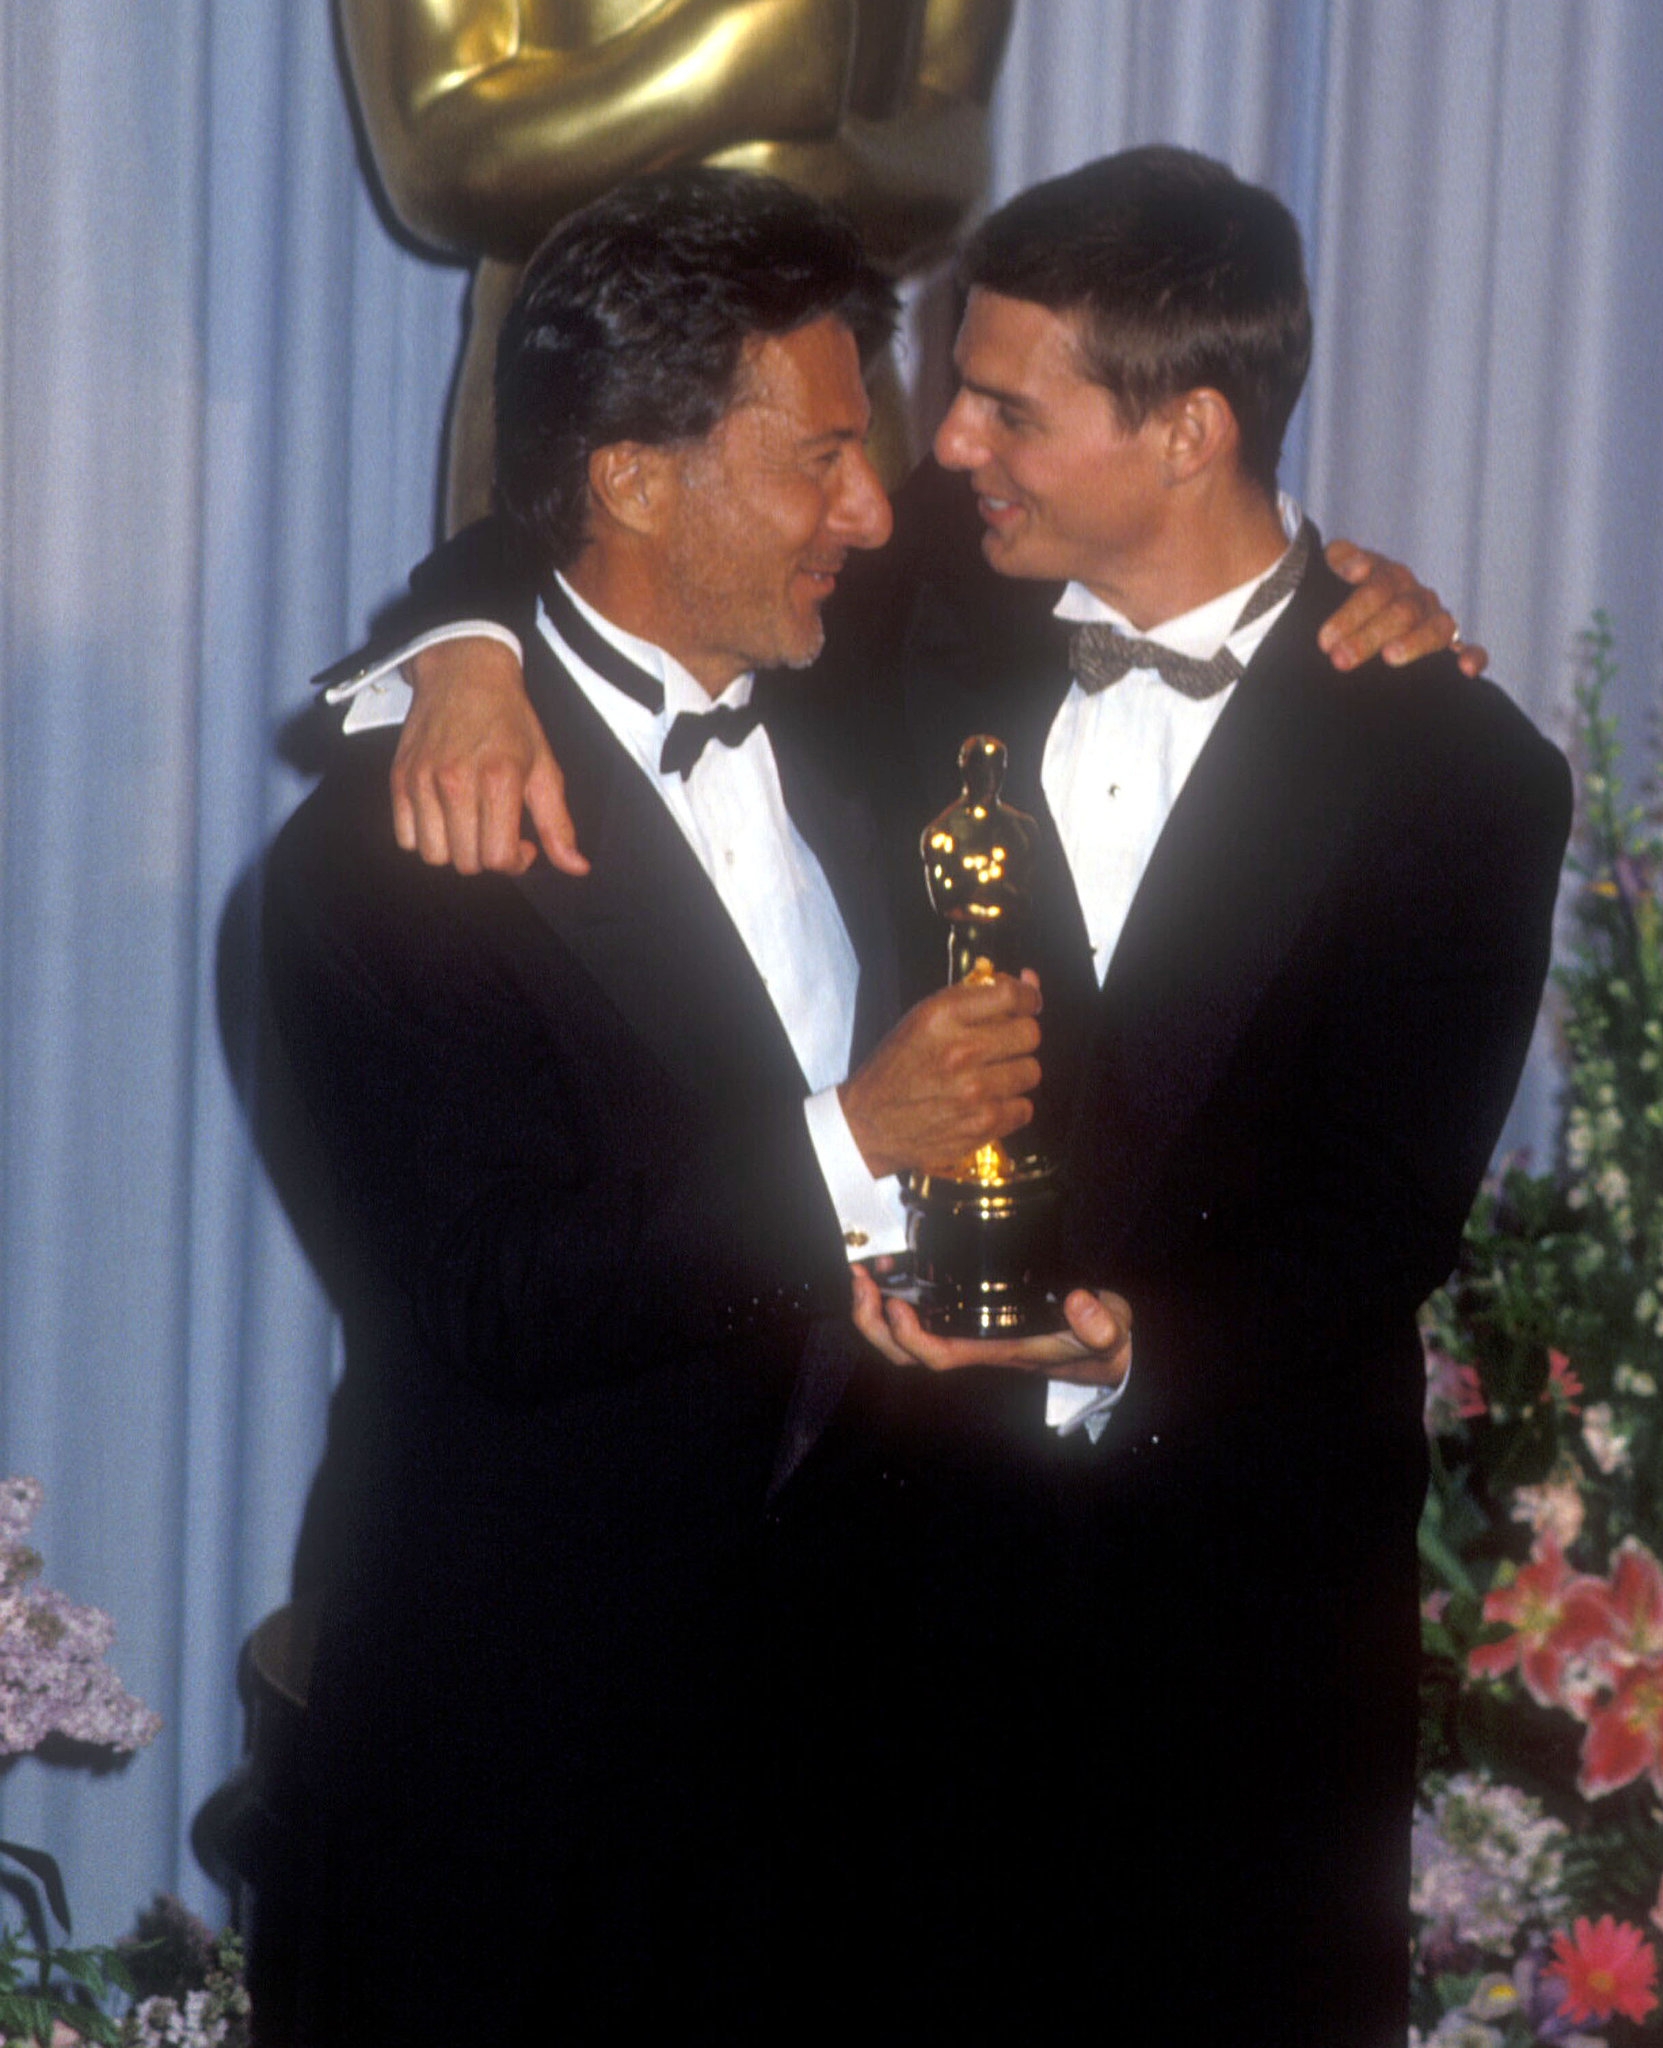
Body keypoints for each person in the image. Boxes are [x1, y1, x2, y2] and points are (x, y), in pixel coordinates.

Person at [341, 150, 1571, 2043]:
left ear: (1189, 431)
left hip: (1230, 1614)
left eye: (1007, 405)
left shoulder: (1460, 766)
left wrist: (1128, 1337)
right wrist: (463, 649)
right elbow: (610, 516)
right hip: (883, 1622)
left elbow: (1384, 1207)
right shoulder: (912, 603)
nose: (942, 451)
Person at [262, 166, 1130, 2044]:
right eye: (822, 457)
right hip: (536, 1784)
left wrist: (1372, 609)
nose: (874, 508)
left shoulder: (851, 707)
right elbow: (493, 1294)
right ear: (641, 477)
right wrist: (851, 1145)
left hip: (858, 1779)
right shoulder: (383, 858)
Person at [340, 0, 1015, 524]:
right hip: (577, 395)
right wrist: (736, 49)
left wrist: (777, 161)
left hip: (840, 389)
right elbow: (432, 159)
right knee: (559, 684)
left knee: (836, 687)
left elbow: (954, 148)